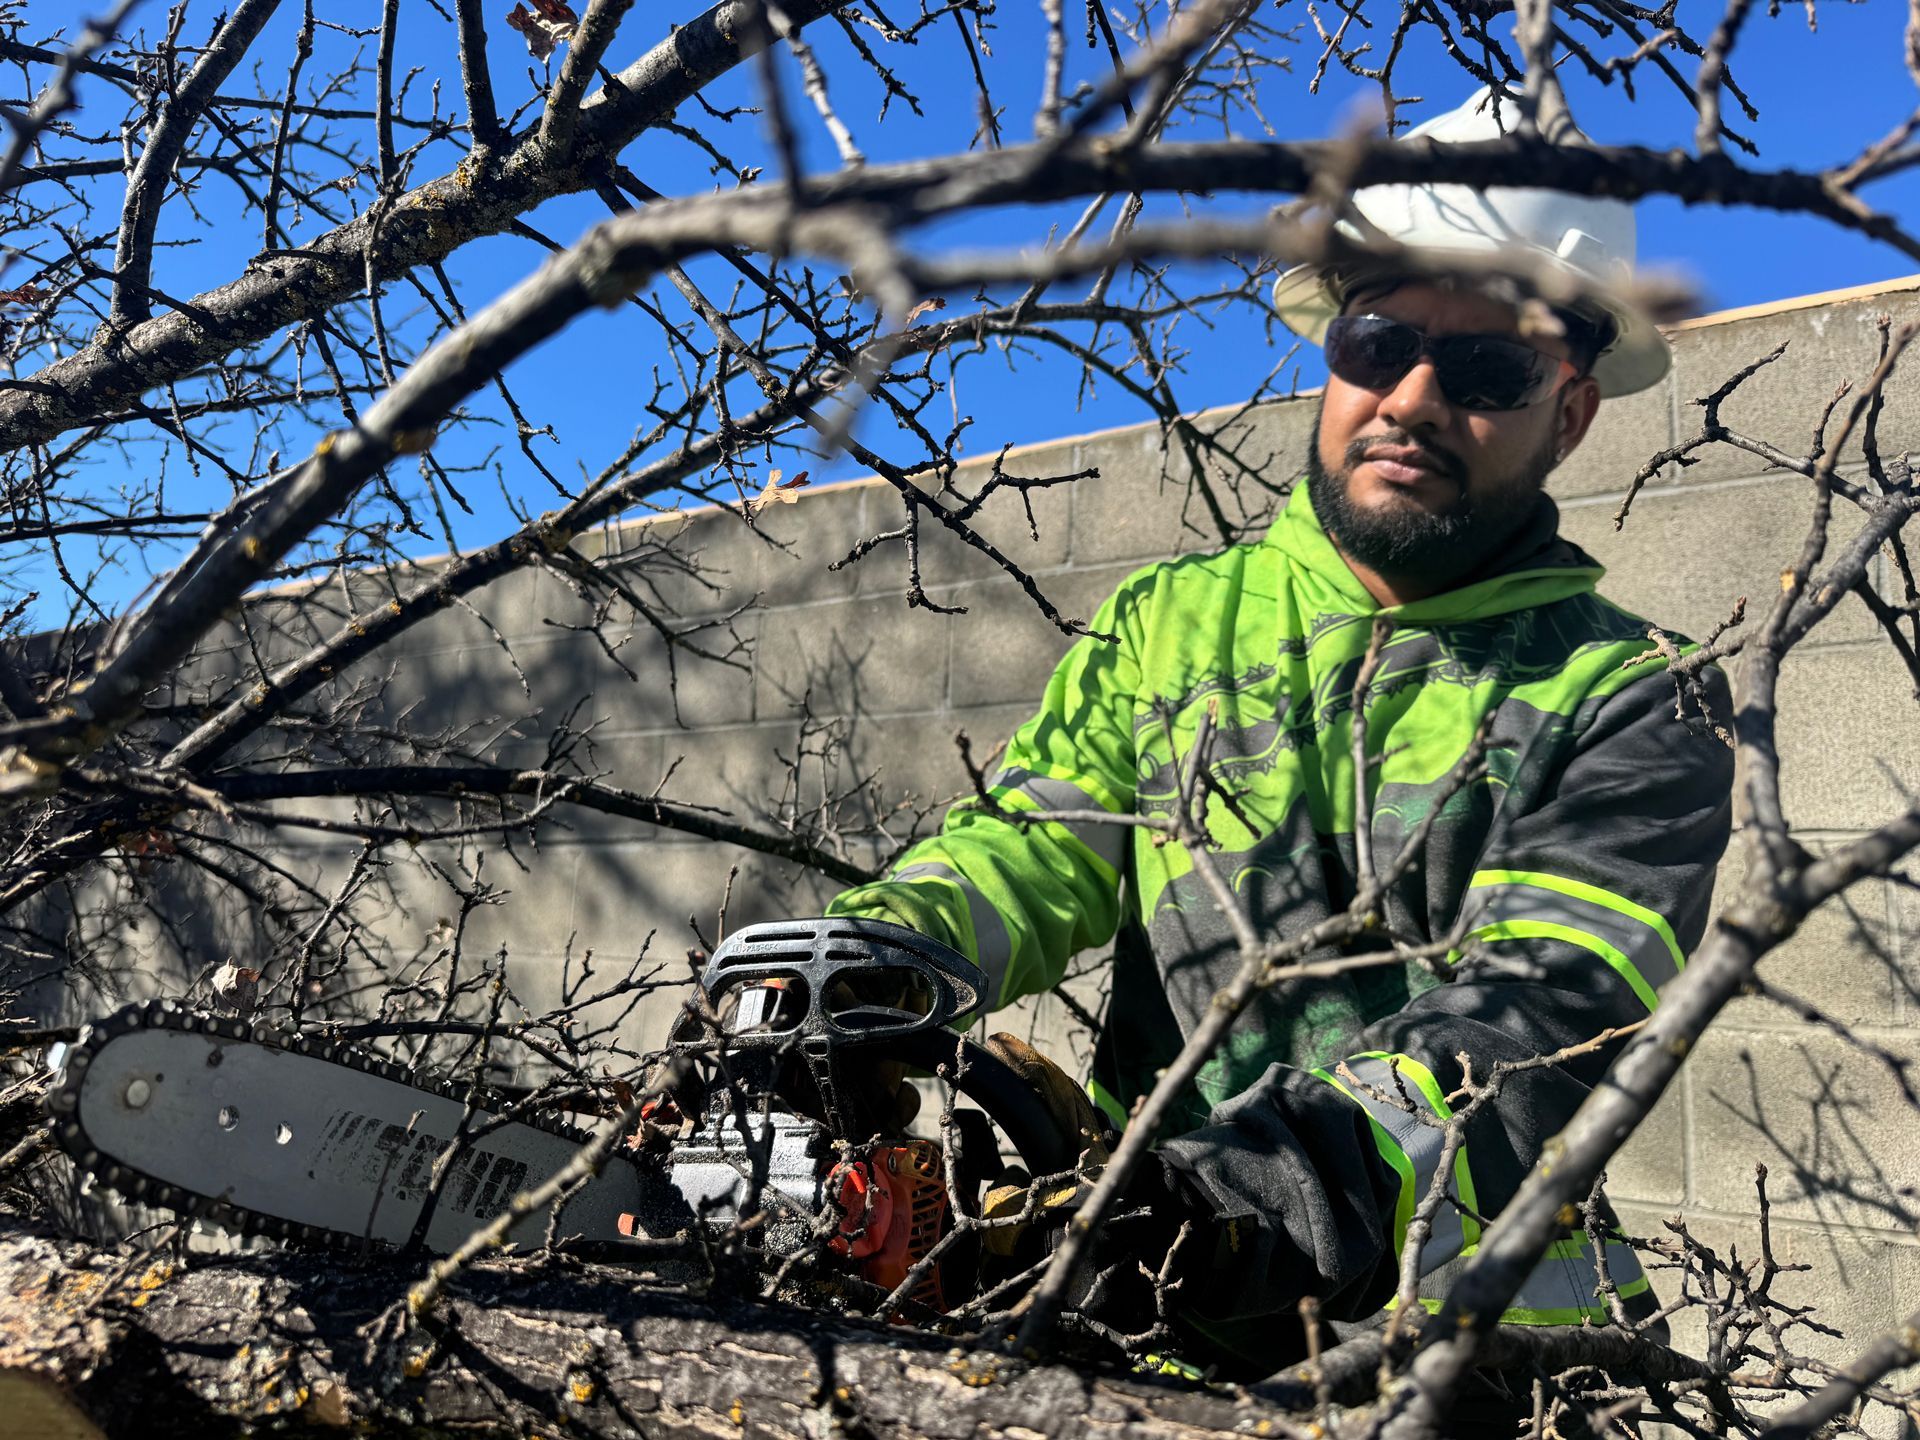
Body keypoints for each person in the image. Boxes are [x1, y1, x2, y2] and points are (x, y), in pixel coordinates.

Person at [825, 88, 1735, 1375]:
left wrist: (1251, 1195)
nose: (1412, 398)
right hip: (1147, 1313)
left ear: (1571, 410)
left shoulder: (1636, 690)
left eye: (1487, 369)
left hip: (1473, 1360)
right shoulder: (1173, 626)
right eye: (1378, 342)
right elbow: (1033, 851)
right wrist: (875, 958)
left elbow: (1541, 1013)